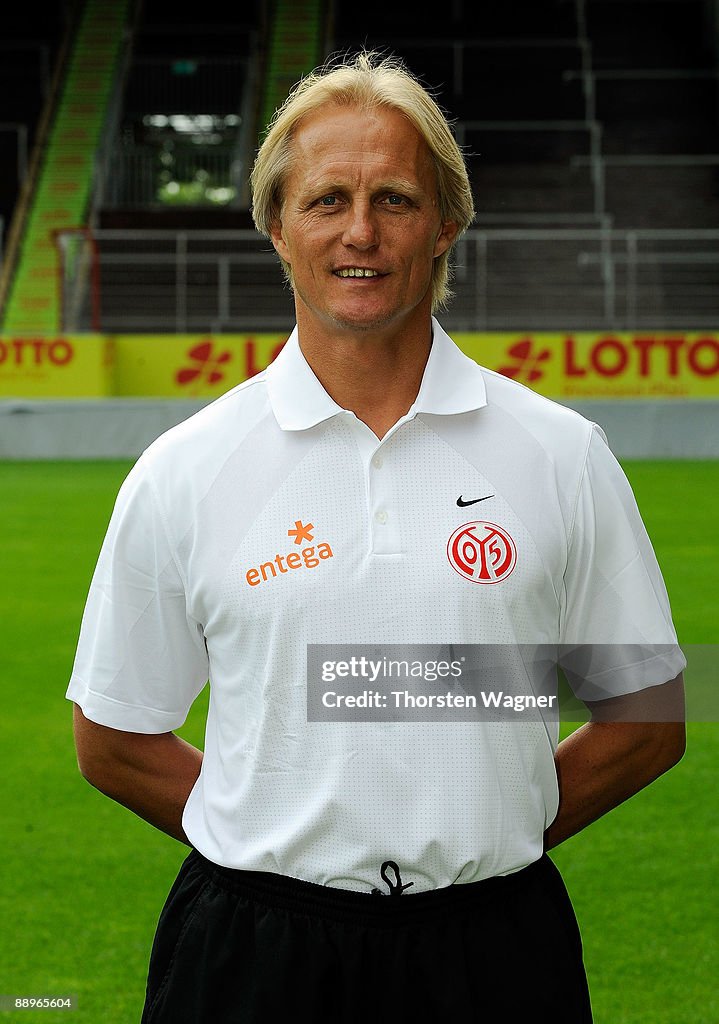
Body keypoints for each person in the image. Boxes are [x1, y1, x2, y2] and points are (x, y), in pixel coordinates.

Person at [67, 50, 686, 1023]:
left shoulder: (559, 454)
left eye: (394, 198)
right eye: (326, 199)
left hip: (492, 948)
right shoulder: (186, 468)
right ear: (276, 224)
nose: (360, 231)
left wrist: (482, 827)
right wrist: (272, 833)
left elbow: (644, 721)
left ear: (446, 223)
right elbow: (111, 737)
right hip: (249, 950)